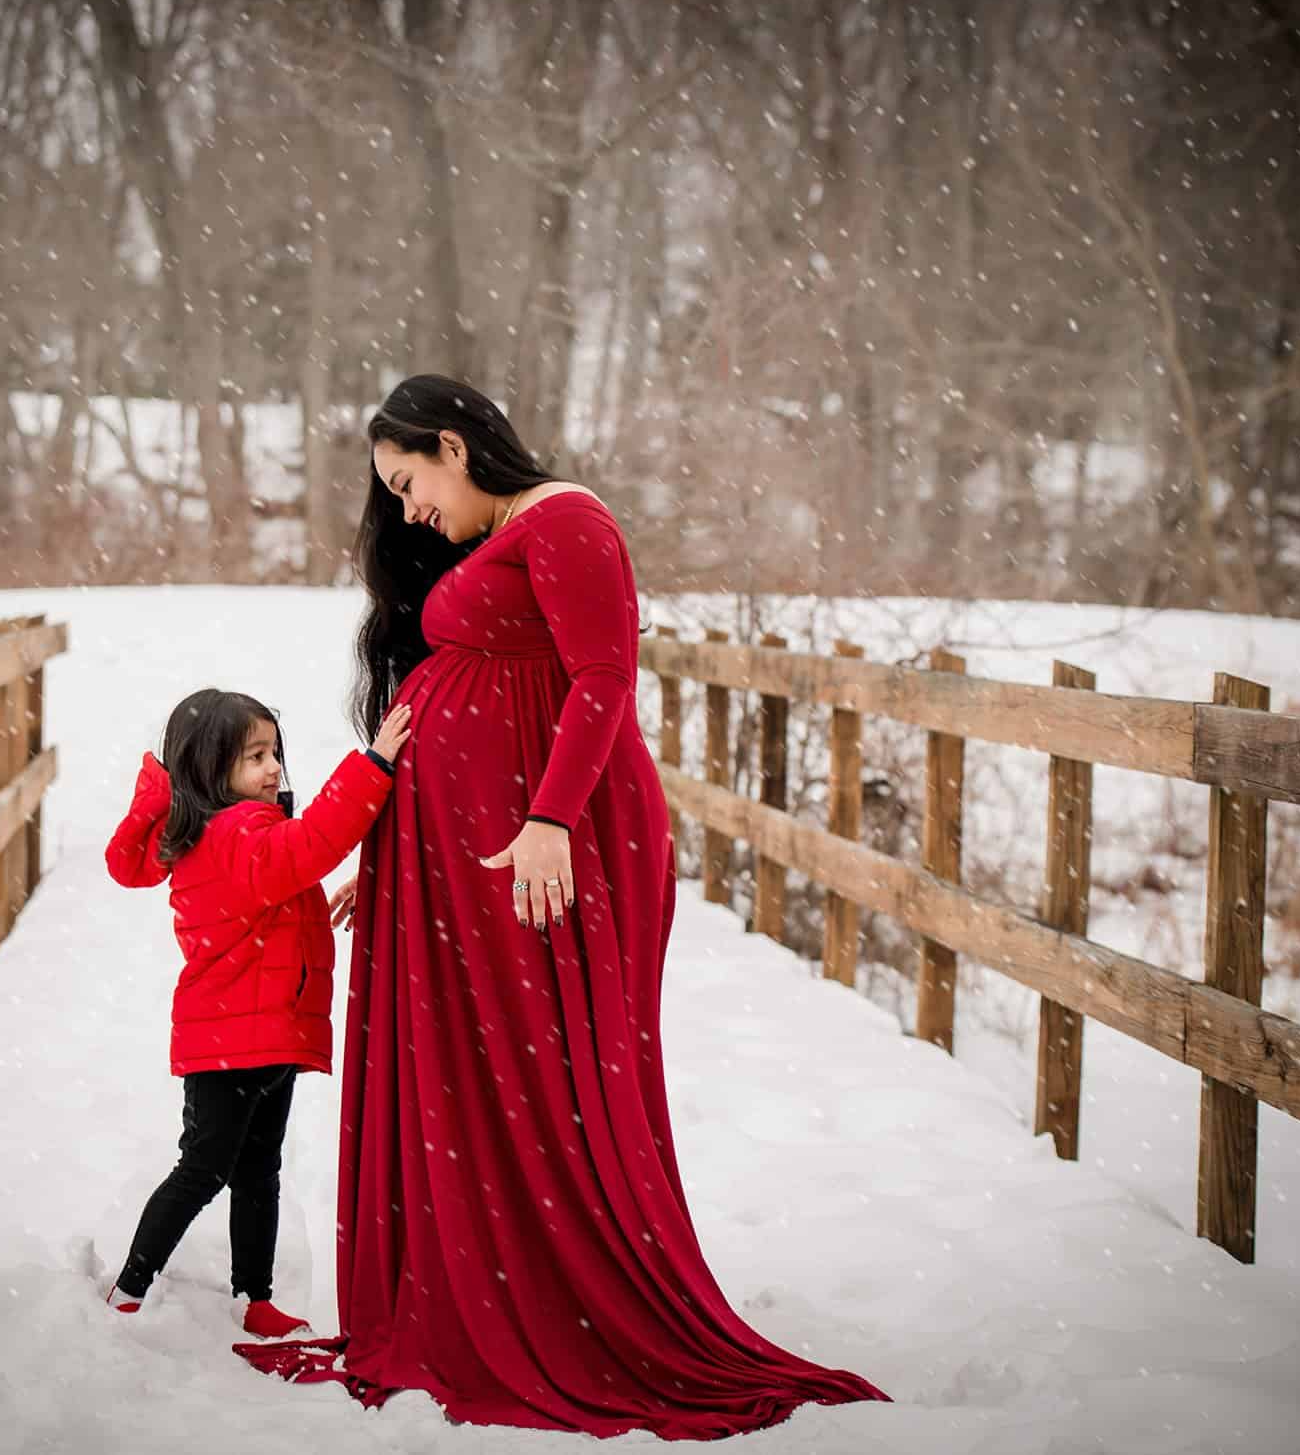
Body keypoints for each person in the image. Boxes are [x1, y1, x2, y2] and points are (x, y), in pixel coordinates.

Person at [237, 375, 890, 1437]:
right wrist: (399, 855)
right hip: (480, 854)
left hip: (552, 842)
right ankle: (482, 1290)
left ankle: (568, 1302)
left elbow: (601, 678)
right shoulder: (500, 537)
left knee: (545, 1073)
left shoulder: (567, 521)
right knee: (482, 1067)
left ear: (453, 447)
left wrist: (549, 818)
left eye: (408, 482)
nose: (408, 509)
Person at [103, 687, 413, 1338]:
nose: (273, 768)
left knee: (257, 1171)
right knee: (205, 1169)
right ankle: (129, 1287)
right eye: (255, 757)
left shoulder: (238, 830)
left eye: (274, 753)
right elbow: (314, 844)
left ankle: (255, 1297)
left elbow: (297, 861)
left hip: (265, 1035)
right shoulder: (234, 834)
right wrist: (374, 765)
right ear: (211, 769)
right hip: (230, 1042)